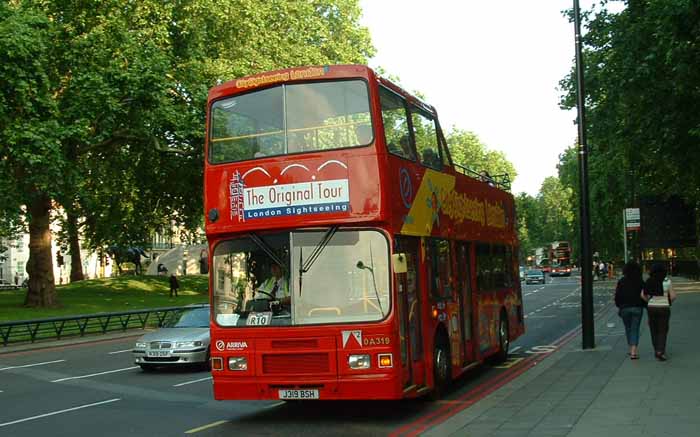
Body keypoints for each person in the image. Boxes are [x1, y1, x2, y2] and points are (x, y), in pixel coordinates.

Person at [641, 263, 677, 361]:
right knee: (663, 330)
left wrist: (649, 301)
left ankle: (656, 349)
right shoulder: (667, 281)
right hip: (664, 308)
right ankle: (660, 351)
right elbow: (673, 296)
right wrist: (668, 302)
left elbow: (643, 295)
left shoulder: (649, 281)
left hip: (651, 307)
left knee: (653, 329)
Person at [614, 261, 645, 359]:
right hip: (637, 307)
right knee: (635, 329)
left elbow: (617, 296)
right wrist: (645, 305)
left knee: (628, 328)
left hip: (624, 308)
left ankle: (630, 349)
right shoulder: (640, 281)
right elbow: (644, 295)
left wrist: (619, 306)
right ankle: (633, 352)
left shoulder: (621, 281)